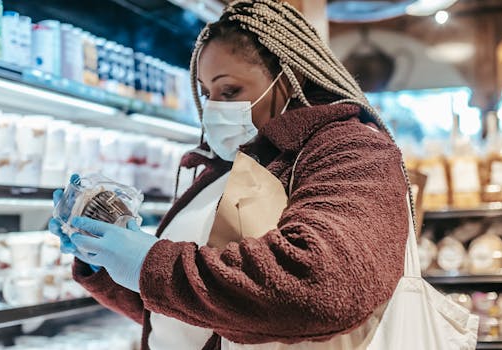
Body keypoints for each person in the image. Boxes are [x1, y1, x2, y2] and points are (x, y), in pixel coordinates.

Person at [48, 1, 413, 349]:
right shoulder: (221, 168)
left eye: (230, 90)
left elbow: (325, 284)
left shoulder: (350, 149)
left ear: (289, 76)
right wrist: (108, 261)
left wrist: (149, 263)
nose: (213, 108)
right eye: (207, 93)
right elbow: (191, 314)